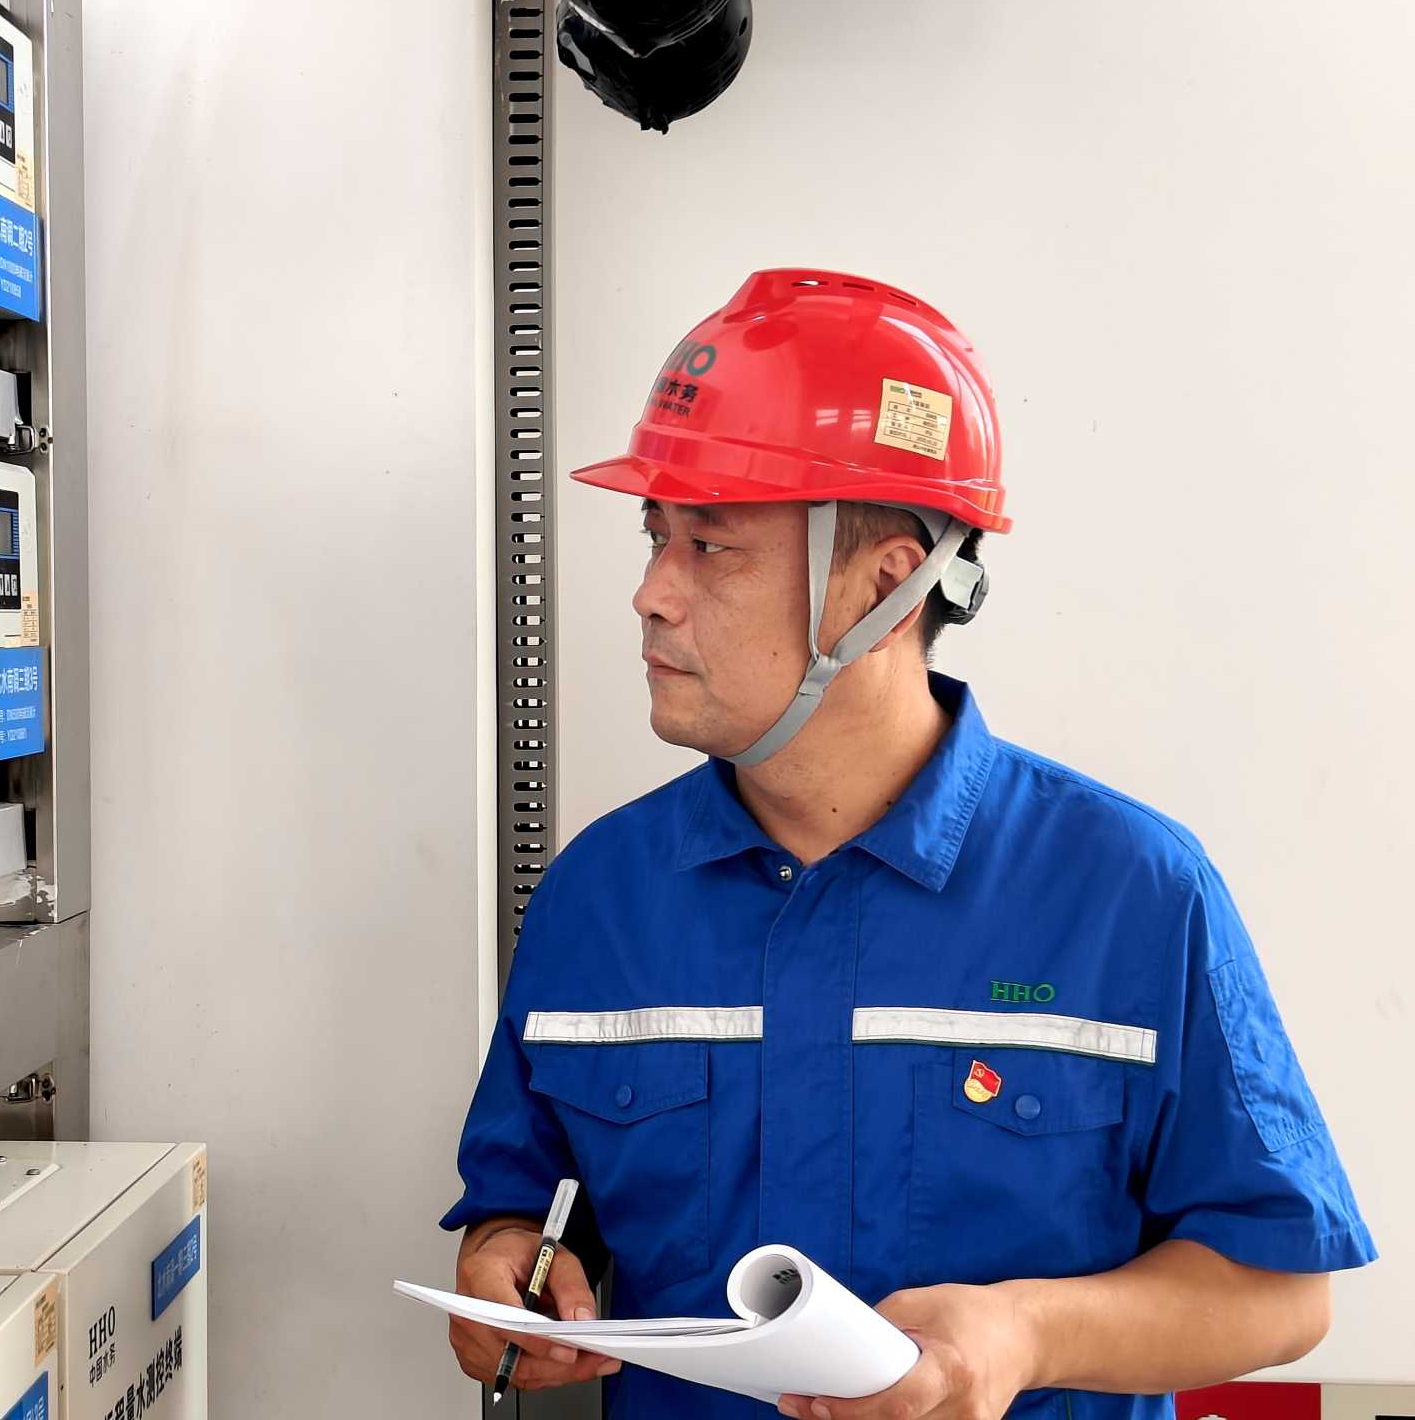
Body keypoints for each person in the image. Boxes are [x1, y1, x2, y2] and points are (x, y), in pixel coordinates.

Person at [439, 270, 1375, 1420]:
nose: (651, 594)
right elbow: (528, 1200)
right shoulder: (600, 897)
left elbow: (1280, 1291)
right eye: (656, 537)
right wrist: (504, 1262)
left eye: (711, 546)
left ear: (883, 583)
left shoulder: (1129, 893)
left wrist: (1024, 1336)